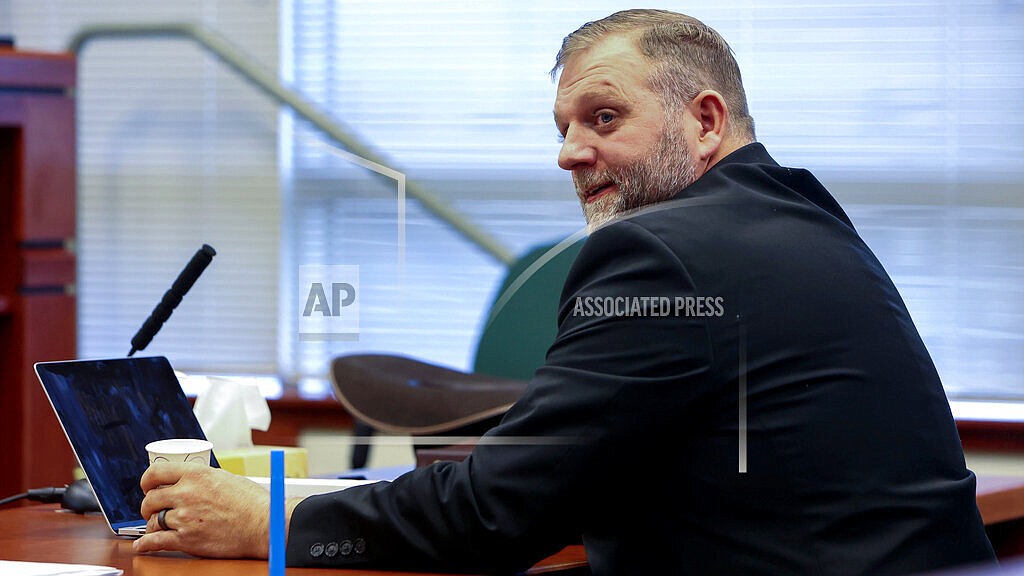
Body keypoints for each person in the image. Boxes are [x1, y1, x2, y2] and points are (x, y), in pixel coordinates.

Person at [133, 9, 997, 574]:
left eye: (604, 118)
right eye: (562, 128)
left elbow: (496, 515)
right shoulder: (804, 219)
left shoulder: (664, 252)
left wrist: (271, 523)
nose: (568, 154)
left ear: (705, 121)